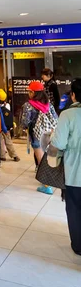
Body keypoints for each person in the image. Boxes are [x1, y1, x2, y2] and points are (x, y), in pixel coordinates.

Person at [51, 78, 81, 255]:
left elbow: (59, 143)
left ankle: (78, 245)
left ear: (73, 95)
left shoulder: (68, 115)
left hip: (75, 173)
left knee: (75, 209)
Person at [21, 81, 58, 195]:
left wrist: (25, 127)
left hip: (36, 135)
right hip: (47, 134)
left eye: (29, 91)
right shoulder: (48, 104)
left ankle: (47, 185)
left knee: (41, 160)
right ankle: (49, 179)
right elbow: (55, 118)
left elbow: (25, 122)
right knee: (46, 158)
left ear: (33, 93)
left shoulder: (28, 105)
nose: (28, 93)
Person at [0, 89, 20, 162]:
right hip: (7, 127)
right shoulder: (7, 106)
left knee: (1, 142)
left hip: (0, 127)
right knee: (8, 142)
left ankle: (2, 156)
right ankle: (14, 155)